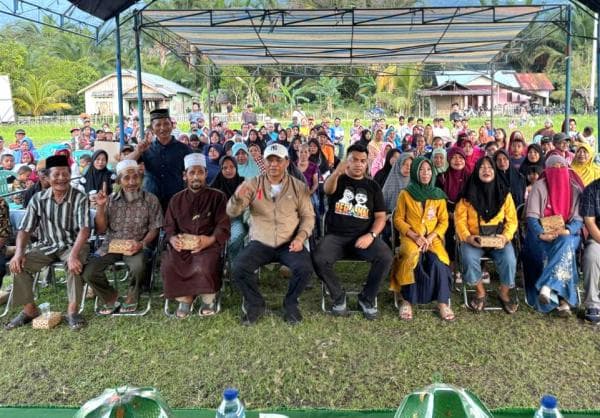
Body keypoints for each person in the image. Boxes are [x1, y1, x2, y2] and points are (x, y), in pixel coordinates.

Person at [227, 144, 314, 325]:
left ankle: (290, 303)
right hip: (261, 241)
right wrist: (236, 198)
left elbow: (308, 217)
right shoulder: (252, 184)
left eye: (278, 160)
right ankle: (255, 304)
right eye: (269, 160)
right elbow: (233, 212)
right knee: (239, 267)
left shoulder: (299, 186)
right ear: (264, 162)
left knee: (305, 267)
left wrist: (300, 237)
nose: (273, 164)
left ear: (287, 162)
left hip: (289, 242)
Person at [5, 155, 90, 331]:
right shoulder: (38, 199)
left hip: (72, 245)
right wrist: (19, 252)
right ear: (46, 178)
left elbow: (84, 230)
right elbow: (25, 229)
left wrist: (73, 255)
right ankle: (29, 310)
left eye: (65, 174)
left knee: (74, 265)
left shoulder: (79, 197)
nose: (61, 178)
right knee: (19, 264)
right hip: (46, 245)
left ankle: (73, 312)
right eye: (56, 174)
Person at [314, 145, 392, 320]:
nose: (358, 164)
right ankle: (338, 296)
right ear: (347, 162)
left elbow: (380, 217)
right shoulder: (338, 180)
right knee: (319, 257)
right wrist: (336, 172)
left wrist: (371, 235)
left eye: (363, 161)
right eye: (354, 160)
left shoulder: (372, 186)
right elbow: (327, 190)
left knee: (385, 257)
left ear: (367, 163)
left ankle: (366, 298)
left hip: (364, 237)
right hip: (336, 236)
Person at [82, 160, 163, 314]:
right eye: (126, 178)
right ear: (119, 180)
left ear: (141, 178)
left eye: (136, 177)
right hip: (111, 245)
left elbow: (155, 228)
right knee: (89, 271)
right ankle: (110, 297)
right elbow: (101, 229)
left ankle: (133, 294)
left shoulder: (151, 199)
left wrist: (142, 244)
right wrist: (100, 207)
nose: (132, 182)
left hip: (136, 245)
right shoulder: (110, 199)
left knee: (139, 266)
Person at [162, 153, 231, 318]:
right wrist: (173, 239)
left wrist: (210, 240)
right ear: (185, 176)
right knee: (169, 263)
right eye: (192, 173)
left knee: (204, 264)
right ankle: (185, 299)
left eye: (200, 172)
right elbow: (169, 227)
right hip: (182, 245)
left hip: (209, 244)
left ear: (206, 174)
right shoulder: (176, 199)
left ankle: (208, 299)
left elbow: (223, 225)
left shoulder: (218, 197)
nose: (196, 177)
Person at [391, 156, 454, 321]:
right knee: (411, 258)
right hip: (410, 237)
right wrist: (414, 235)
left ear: (432, 172)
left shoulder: (438, 195)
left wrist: (431, 236)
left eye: (428, 170)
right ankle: (406, 301)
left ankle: (442, 303)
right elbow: (397, 219)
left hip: (433, 239)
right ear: (415, 172)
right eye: (421, 170)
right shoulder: (405, 194)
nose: (425, 173)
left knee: (439, 262)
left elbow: (443, 221)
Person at [455, 156, 519, 314]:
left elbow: (512, 221)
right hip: (474, 239)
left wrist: (505, 237)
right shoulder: (467, 195)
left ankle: (503, 293)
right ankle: (480, 292)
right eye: (482, 168)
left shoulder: (505, 194)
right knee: (468, 258)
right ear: (476, 171)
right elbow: (459, 220)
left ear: (495, 171)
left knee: (510, 259)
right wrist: (468, 237)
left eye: (490, 167)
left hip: (498, 239)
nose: (486, 171)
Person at [523, 154, 583, 316]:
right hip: (542, 234)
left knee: (566, 242)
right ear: (547, 170)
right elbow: (532, 217)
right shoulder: (539, 186)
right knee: (566, 249)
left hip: (568, 233)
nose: (557, 170)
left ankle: (547, 286)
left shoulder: (575, 189)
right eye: (553, 167)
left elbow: (578, 220)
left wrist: (567, 230)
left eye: (561, 166)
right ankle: (564, 301)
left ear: (567, 169)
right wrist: (542, 234)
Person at [126, 108, 191, 210]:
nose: (162, 128)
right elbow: (125, 164)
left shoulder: (183, 149)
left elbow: (191, 172)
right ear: (152, 128)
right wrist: (138, 151)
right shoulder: (146, 148)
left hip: (175, 199)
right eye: (158, 125)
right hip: (150, 199)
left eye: (166, 124)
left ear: (172, 125)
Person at [211, 156, 246, 261]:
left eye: (232, 167)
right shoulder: (214, 186)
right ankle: (228, 262)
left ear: (236, 168)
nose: (228, 170)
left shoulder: (243, 183)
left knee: (237, 235)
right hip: (218, 221)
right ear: (220, 169)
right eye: (225, 168)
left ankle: (229, 260)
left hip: (237, 219)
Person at [581, 176, 600, 323]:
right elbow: (589, 221)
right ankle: (592, 303)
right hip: (598, 237)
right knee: (591, 255)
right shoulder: (592, 189)